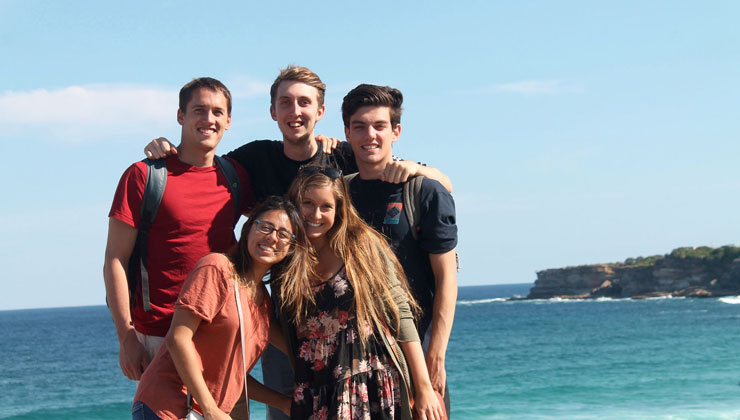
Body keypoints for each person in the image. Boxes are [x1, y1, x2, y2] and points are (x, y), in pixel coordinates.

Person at [143, 65, 453, 420]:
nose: (295, 111)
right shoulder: (254, 158)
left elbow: (429, 180)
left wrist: (419, 169)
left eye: (304, 102)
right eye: (285, 102)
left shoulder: (344, 157)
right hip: (292, 325)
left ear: (320, 112)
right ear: (273, 111)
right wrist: (168, 149)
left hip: (359, 345)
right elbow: (202, 164)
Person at [104, 77, 254, 382]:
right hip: (160, 336)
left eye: (217, 112)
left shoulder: (235, 177)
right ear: (180, 116)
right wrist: (126, 338)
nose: (208, 119)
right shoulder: (144, 176)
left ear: (228, 121)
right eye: (199, 110)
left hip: (219, 333)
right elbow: (115, 260)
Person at [276, 166, 445, 420]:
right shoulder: (284, 255)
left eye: (326, 207)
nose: (316, 214)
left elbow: (400, 311)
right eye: (307, 203)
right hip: (315, 388)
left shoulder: (359, 244)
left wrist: (422, 388)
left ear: (339, 209)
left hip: (371, 382)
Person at [132, 196, 307, 420]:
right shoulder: (217, 268)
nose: (272, 237)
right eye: (265, 226)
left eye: (283, 234)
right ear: (248, 229)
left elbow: (233, 376)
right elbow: (178, 338)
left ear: (291, 247)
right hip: (167, 407)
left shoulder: (263, 302)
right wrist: (210, 408)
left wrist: (282, 403)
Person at [342, 84, 458, 416]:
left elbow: (446, 278)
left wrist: (436, 355)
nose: (370, 135)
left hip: (416, 356)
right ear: (347, 133)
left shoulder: (424, 191)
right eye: (360, 126)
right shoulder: (339, 196)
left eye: (379, 126)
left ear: (396, 131)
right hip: (355, 358)